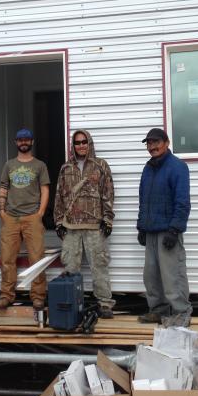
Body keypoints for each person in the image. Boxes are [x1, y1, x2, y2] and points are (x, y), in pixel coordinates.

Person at [53, 130, 116, 319]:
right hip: (71, 227)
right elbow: (59, 196)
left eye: (84, 142)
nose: (80, 146)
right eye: (77, 143)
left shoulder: (101, 165)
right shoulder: (66, 168)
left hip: (95, 227)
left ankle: (104, 304)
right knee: (71, 268)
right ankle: (71, 302)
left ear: (89, 143)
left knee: (99, 266)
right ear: (73, 146)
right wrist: (58, 222)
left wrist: (108, 219)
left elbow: (108, 193)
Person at [136, 128, 192, 327]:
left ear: (166, 143)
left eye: (156, 142)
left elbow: (183, 202)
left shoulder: (178, 167)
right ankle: (158, 310)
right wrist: (141, 227)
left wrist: (175, 229)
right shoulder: (148, 168)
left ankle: (181, 313)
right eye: (149, 143)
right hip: (150, 231)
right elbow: (143, 199)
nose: (152, 146)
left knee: (172, 275)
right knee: (151, 276)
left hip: (168, 231)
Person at [0, 128, 50, 310]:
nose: (23, 142)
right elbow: (4, 187)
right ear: (16, 142)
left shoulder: (39, 165)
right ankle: (6, 295)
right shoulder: (9, 165)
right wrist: (2, 211)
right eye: (20, 140)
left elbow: (45, 189)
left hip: (32, 217)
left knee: (37, 258)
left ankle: (37, 296)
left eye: (27, 139)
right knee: (7, 258)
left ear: (32, 142)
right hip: (11, 217)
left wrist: (41, 213)